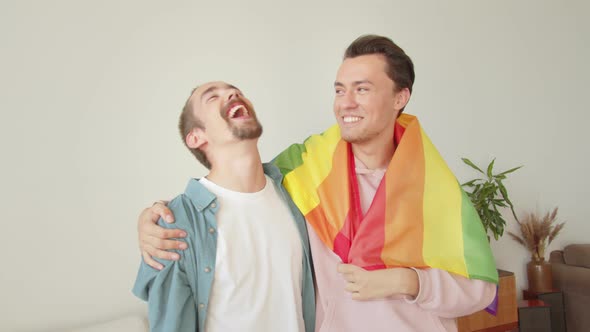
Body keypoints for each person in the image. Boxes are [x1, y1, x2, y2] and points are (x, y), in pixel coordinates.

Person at [137, 35, 498, 331]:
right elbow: (233, 185)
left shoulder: (434, 189)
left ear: (400, 98)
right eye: (340, 90)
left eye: (362, 89)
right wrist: (151, 219)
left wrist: (408, 281)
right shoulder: (305, 173)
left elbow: (480, 290)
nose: (346, 103)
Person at [132, 81, 316, 332]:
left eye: (236, 91)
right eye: (212, 97)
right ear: (196, 137)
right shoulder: (174, 226)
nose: (233, 94)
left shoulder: (294, 186)